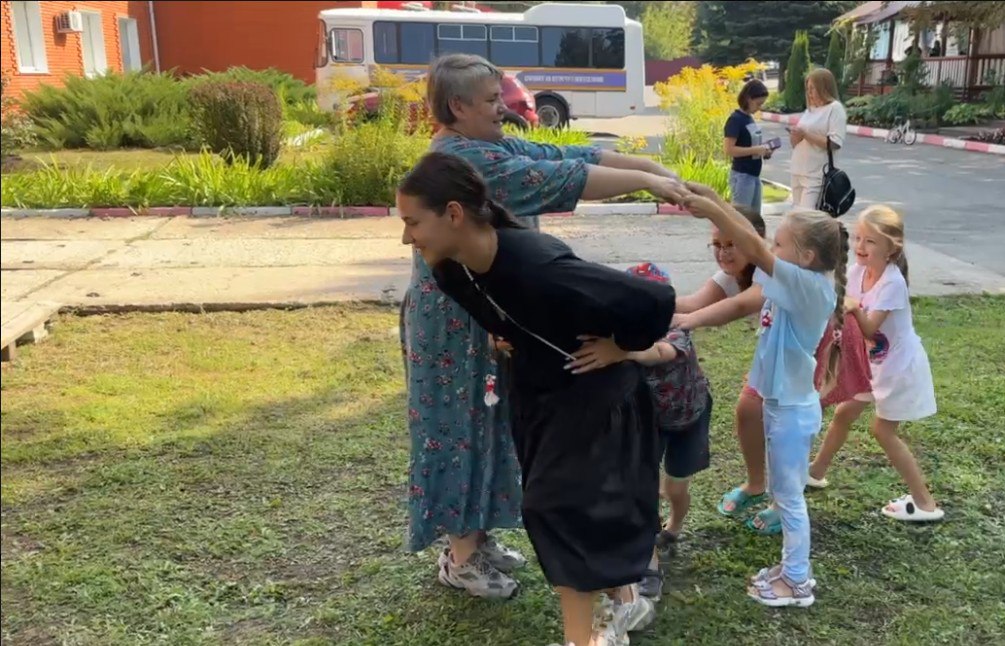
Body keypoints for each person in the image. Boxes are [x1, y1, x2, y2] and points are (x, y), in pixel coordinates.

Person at [401, 51, 686, 599]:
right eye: (491, 100)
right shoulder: (462, 162)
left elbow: (562, 153)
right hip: (454, 325)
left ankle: (475, 539)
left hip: (488, 314)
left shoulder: (488, 146)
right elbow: (559, 178)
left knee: (490, 424)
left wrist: (649, 168)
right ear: (458, 106)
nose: (503, 109)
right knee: (458, 430)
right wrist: (649, 184)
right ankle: (460, 557)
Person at [679, 185, 848, 607]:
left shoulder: (808, 287)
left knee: (789, 498)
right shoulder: (792, 280)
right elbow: (751, 243)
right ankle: (789, 570)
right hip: (780, 405)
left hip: (791, 410)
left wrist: (712, 207)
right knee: (785, 493)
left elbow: (752, 245)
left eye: (779, 244)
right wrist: (712, 200)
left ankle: (797, 581)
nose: (771, 249)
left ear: (806, 256)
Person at [567, 262, 712, 603]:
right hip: (649, 424)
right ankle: (648, 559)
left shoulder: (675, 327)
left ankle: (674, 526)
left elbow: (660, 352)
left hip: (689, 417)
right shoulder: (618, 331)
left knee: (676, 486)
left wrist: (623, 352)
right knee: (643, 489)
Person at [807, 206, 943, 521]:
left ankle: (925, 504)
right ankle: (816, 471)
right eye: (858, 238)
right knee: (844, 413)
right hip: (872, 364)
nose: (860, 246)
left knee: (883, 431)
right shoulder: (857, 272)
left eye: (870, 241)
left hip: (898, 368)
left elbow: (869, 328)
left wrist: (853, 308)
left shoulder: (893, 283)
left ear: (891, 249)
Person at [789, 69, 847, 210]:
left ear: (824, 88)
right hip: (798, 170)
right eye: (807, 89)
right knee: (796, 215)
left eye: (813, 88)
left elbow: (835, 143)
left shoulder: (834, 108)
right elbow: (797, 143)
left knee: (807, 216)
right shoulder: (810, 110)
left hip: (816, 174)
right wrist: (795, 136)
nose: (809, 93)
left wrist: (806, 134)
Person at [724, 79, 772, 214]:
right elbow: (729, 149)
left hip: (754, 175)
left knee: (754, 218)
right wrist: (756, 150)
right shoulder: (735, 120)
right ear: (748, 99)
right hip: (742, 176)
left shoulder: (749, 118)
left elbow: (750, 145)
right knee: (741, 217)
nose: (759, 108)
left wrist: (764, 151)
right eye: (758, 104)